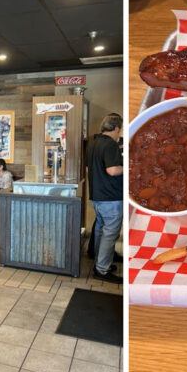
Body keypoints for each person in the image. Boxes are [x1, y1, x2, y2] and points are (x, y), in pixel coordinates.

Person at [86, 113, 124, 283]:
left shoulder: (93, 144)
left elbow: (88, 170)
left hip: (97, 195)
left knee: (101, 230)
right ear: (116, 128)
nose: (119, 134)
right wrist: (127, 167)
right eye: (119, 130)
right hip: (110, 197)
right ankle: (102, 269)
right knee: (110, 233)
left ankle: (100, 264)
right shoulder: (110, 145)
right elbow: (112, 170)